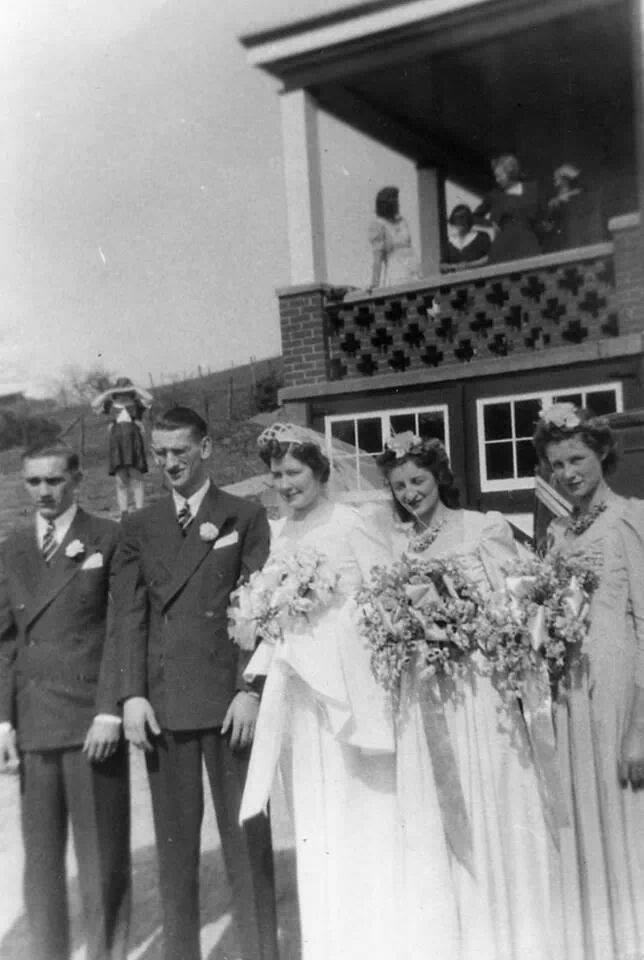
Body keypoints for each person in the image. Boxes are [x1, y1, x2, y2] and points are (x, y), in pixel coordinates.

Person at [378, 432, 563, 960]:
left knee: (494, 792)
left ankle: (511, 932)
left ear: (439, 476)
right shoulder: (395, 543)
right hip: (423, 686)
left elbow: (517, 601)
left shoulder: (481, 528)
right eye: (400, 486)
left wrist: (465, 623)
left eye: (418, 480)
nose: (411, 493)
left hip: (477, 683)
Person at [109, 406, 277, 960]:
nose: (170, 462)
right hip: (165, 705)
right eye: (160, 453)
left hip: (230, 703)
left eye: (180, 450)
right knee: (176, 848)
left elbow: (261, 611)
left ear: (205, 449)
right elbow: (130, 615)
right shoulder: (139, 526)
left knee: (245, 839)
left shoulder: (244, 515)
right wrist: (131, 694)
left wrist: (249, 690)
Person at [237, 423, 399, 960]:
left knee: (360, 805)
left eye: (294, 472)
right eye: (276, 474)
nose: (284, 484)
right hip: (300, 692)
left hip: (349, 689)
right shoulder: (280, 533)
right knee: (313, 812)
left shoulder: (354, 523)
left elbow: (387, 601)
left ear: (320, 472)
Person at [0, 443, 130, 960]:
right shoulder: (11, 547)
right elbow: (5, 640)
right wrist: (3, 723)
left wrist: (109, 710)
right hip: (34, 721)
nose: (45, 492)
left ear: (76, 478)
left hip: (89, 720)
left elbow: (123, 628)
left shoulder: (107, 537)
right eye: (34, 483)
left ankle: (106, 954)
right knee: (42, 860)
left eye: (54, 481)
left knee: (101, 856)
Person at [533, 404, 644, 960]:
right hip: (571, 692)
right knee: (584, 817)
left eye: (576, 458)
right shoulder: (557, 530)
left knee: (624, 821)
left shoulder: (629, 519)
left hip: (618, 687)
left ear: (602, 451)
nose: (567, 472)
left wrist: (640, 731)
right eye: (556, 464)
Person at [91, 376, 151, 516]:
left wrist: (134, 388)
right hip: (117, 443)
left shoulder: (136, 404)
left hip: (133, 441)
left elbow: (150, 398)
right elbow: (94, 405)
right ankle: (124, 512)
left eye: (126, 390)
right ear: (116, 392)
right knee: (120, 479)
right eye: (120, 390)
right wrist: (108, 392)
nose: (123, 393)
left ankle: (139, 511)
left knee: (136, 477)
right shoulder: (110, 405)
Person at [474, 154, 541, 263]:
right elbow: (474, 217)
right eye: (496, 176)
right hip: (503, 244)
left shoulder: (532, 189)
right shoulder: (495, 196)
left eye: (499, 176)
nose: (497, 180)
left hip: (528, 243)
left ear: (510, 172)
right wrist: (491, 225)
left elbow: (541, 215)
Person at [541, 164, 604, 253]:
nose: (556, 181)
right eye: (555, 179)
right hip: (565, 246)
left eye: (559, 178)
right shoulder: (554, 202)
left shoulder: (581, 195)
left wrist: (575, 174)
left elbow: (590, 189)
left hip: (582, 243)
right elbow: (547, 226)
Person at [368, 185, 421, 287]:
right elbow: (377, 258)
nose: (398, 204)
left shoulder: (402, 221)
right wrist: (375, 284)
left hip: (414, 271)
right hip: (398, 274)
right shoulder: (378, 225)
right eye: (395, 202)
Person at [441, 203, 491, 271]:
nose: (459, 222)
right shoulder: (448, 242)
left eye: (462, 218)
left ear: (468, 220)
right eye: (456, 219)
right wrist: (455, 266)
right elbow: (443, 265)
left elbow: (489, 257)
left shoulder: (481, 237)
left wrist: (468, 265)